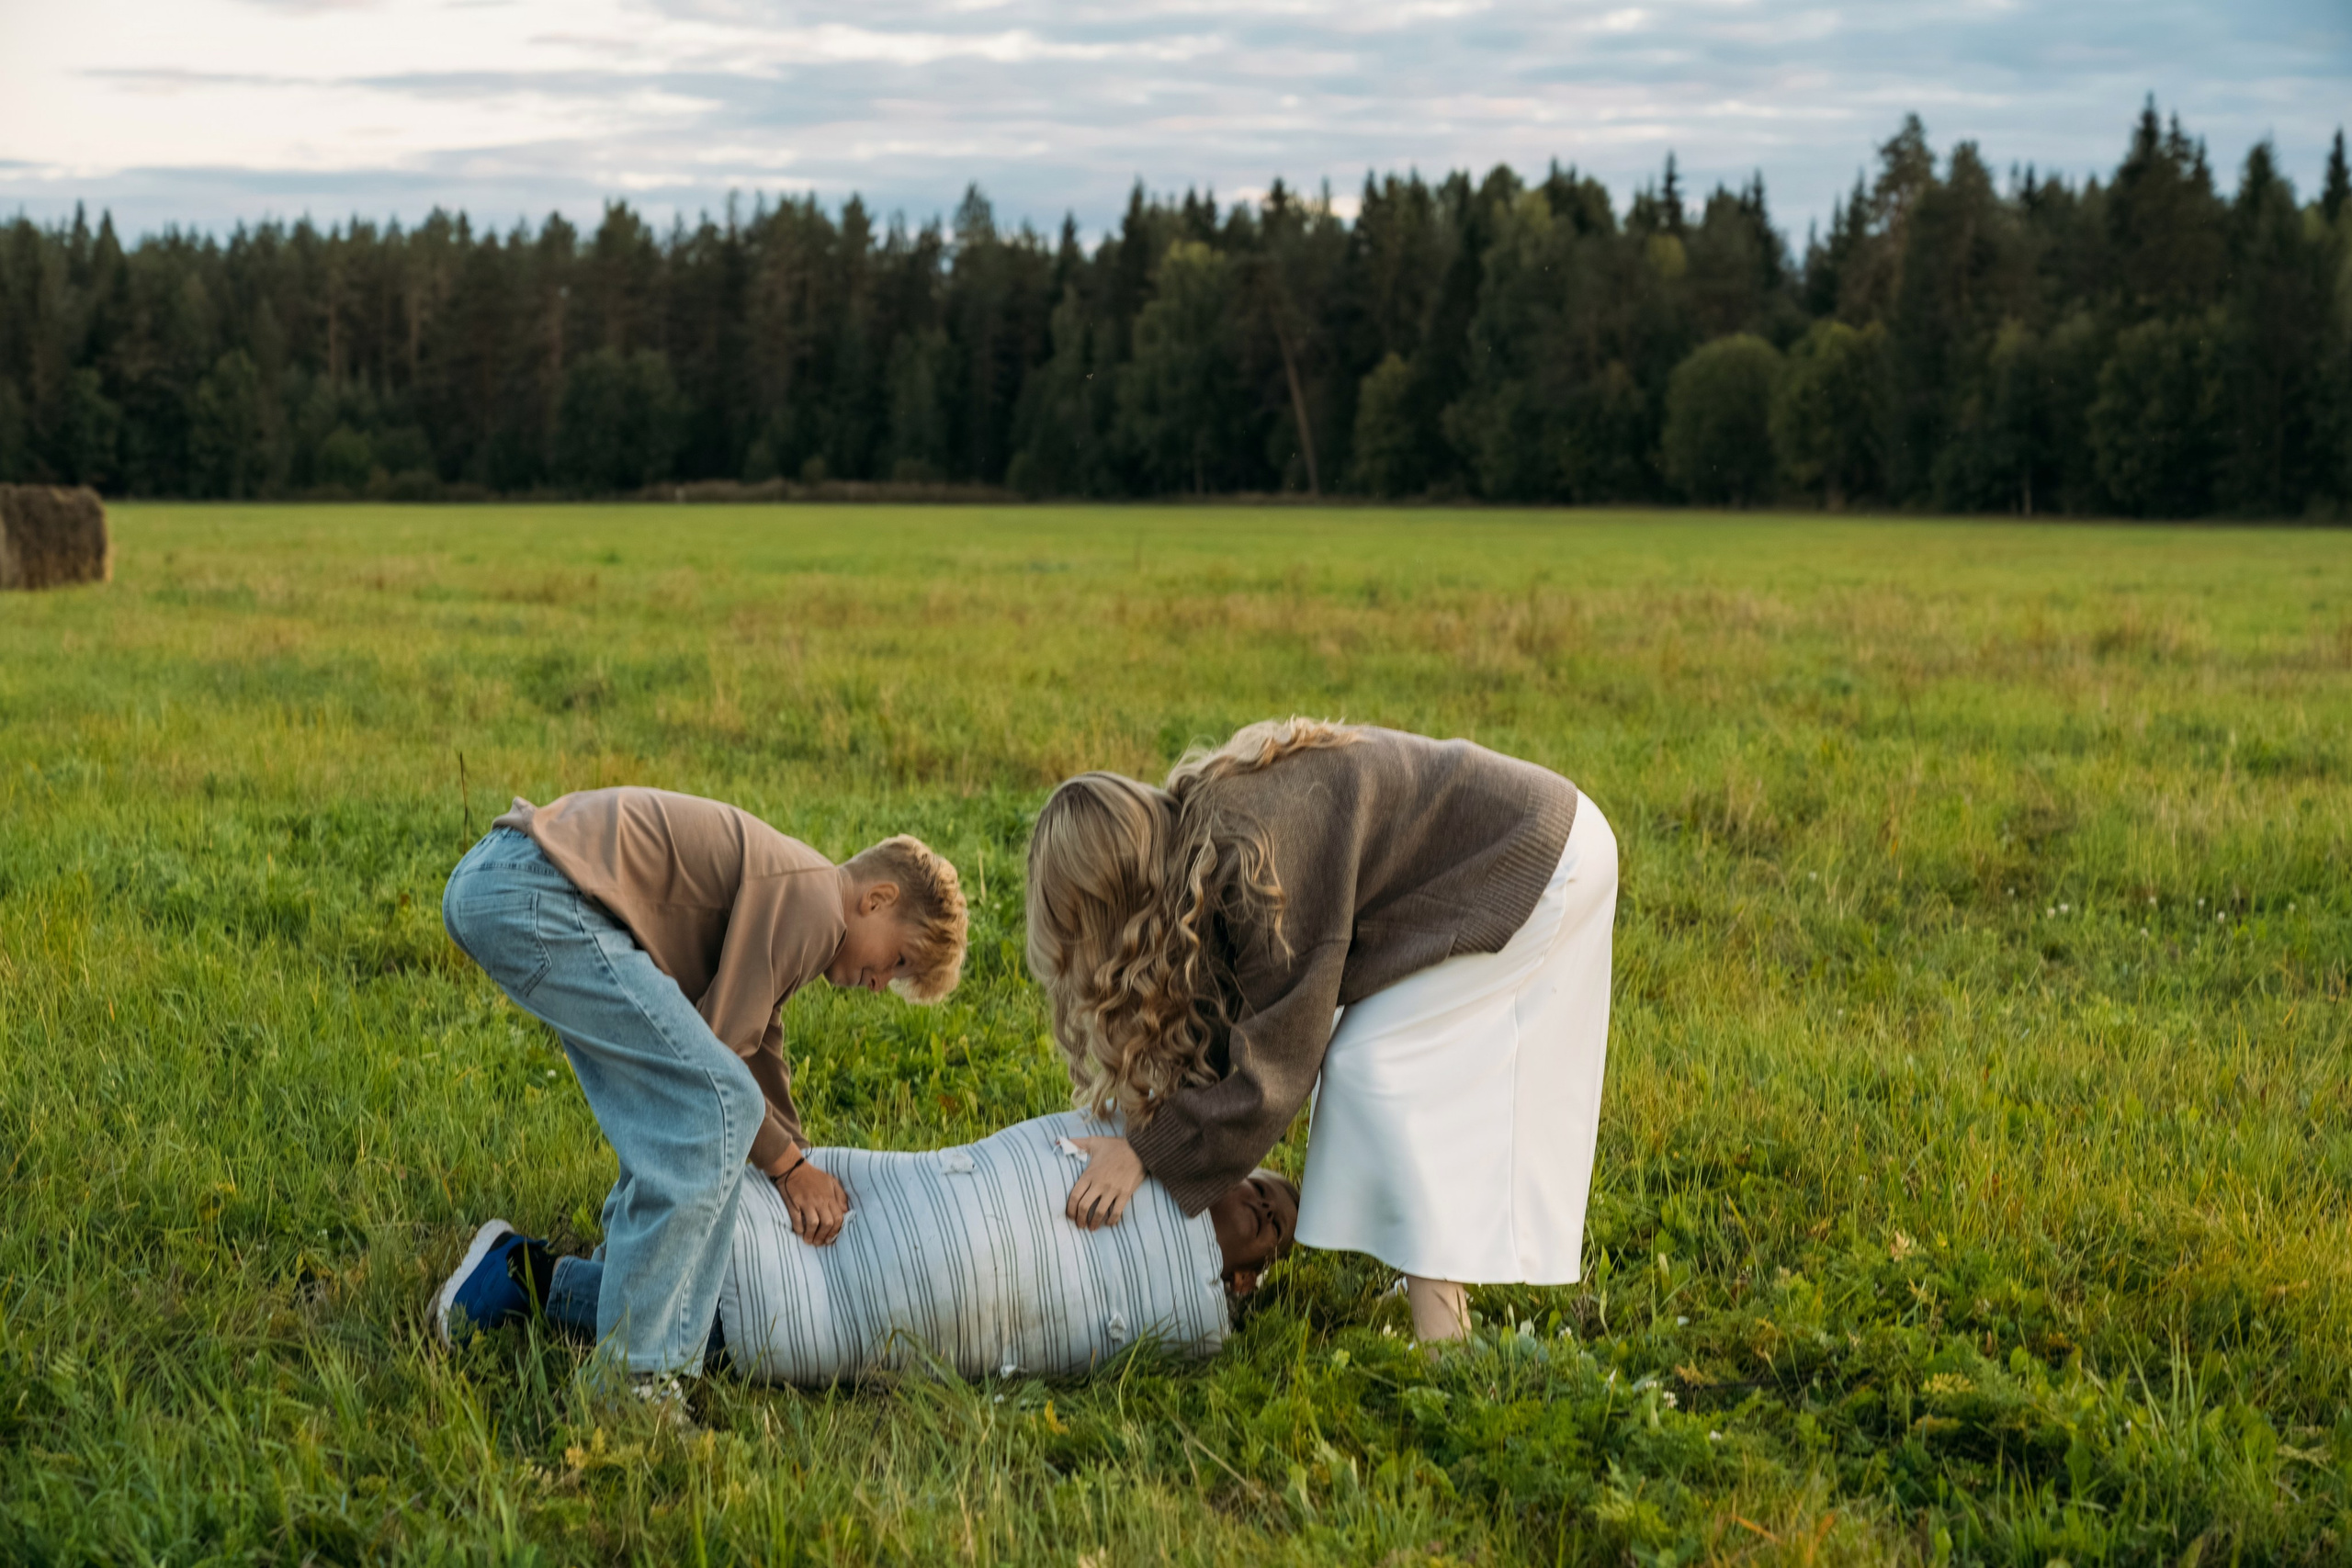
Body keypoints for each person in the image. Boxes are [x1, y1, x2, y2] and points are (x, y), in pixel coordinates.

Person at [1024, 719, 1616, 1342]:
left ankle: (1447, 1340)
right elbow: (1237, 1021)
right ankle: (1430, 1279)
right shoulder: (1206, 840)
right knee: (1379, 1064)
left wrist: (1149, 1151)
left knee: (1377, 1069)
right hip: (1524, 846)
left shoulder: (1253, 855)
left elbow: (1280, 1058)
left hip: (1535, 858)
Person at [435, 787, 967, 1382]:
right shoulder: (816, 901)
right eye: (899, 961)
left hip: (511, 881)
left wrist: (797, 1158)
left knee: (699, 1110)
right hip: (532, 891)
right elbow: (718, 1073)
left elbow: (757, 1055)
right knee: (708, 1110)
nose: (880, 985)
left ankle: (526, 1276)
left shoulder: (802, 896)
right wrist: (791, 1169)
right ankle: (634, 1383)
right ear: (878, 898)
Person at [435, 1111, 1299, 1385]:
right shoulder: (1129, 1159)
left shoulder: (1191, 1314)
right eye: (1258, 1184)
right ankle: (534, 1275)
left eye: (1270, 1220)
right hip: (894, 1226)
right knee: (746, 1285)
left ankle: (528, 1274)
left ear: (1246, 1276)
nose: (1257, 1200)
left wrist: (1210, 1301)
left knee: (768, 1328)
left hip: (912, 1313)